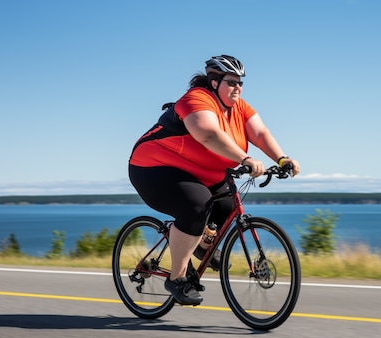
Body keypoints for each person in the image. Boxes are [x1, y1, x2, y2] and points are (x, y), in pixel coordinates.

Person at [128, 54, 300, 305]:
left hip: (199, 172)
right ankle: (176, 279)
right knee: (197, 205)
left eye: (240, 83)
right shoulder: (196, 100)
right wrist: (245, 159)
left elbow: (260, 133)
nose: (237, 88)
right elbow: (208, 134)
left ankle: (201, 244)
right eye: (231, 82)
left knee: (228, 204)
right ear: (214, 81)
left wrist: (282, 158)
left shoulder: (240, 107)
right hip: (153, 168)